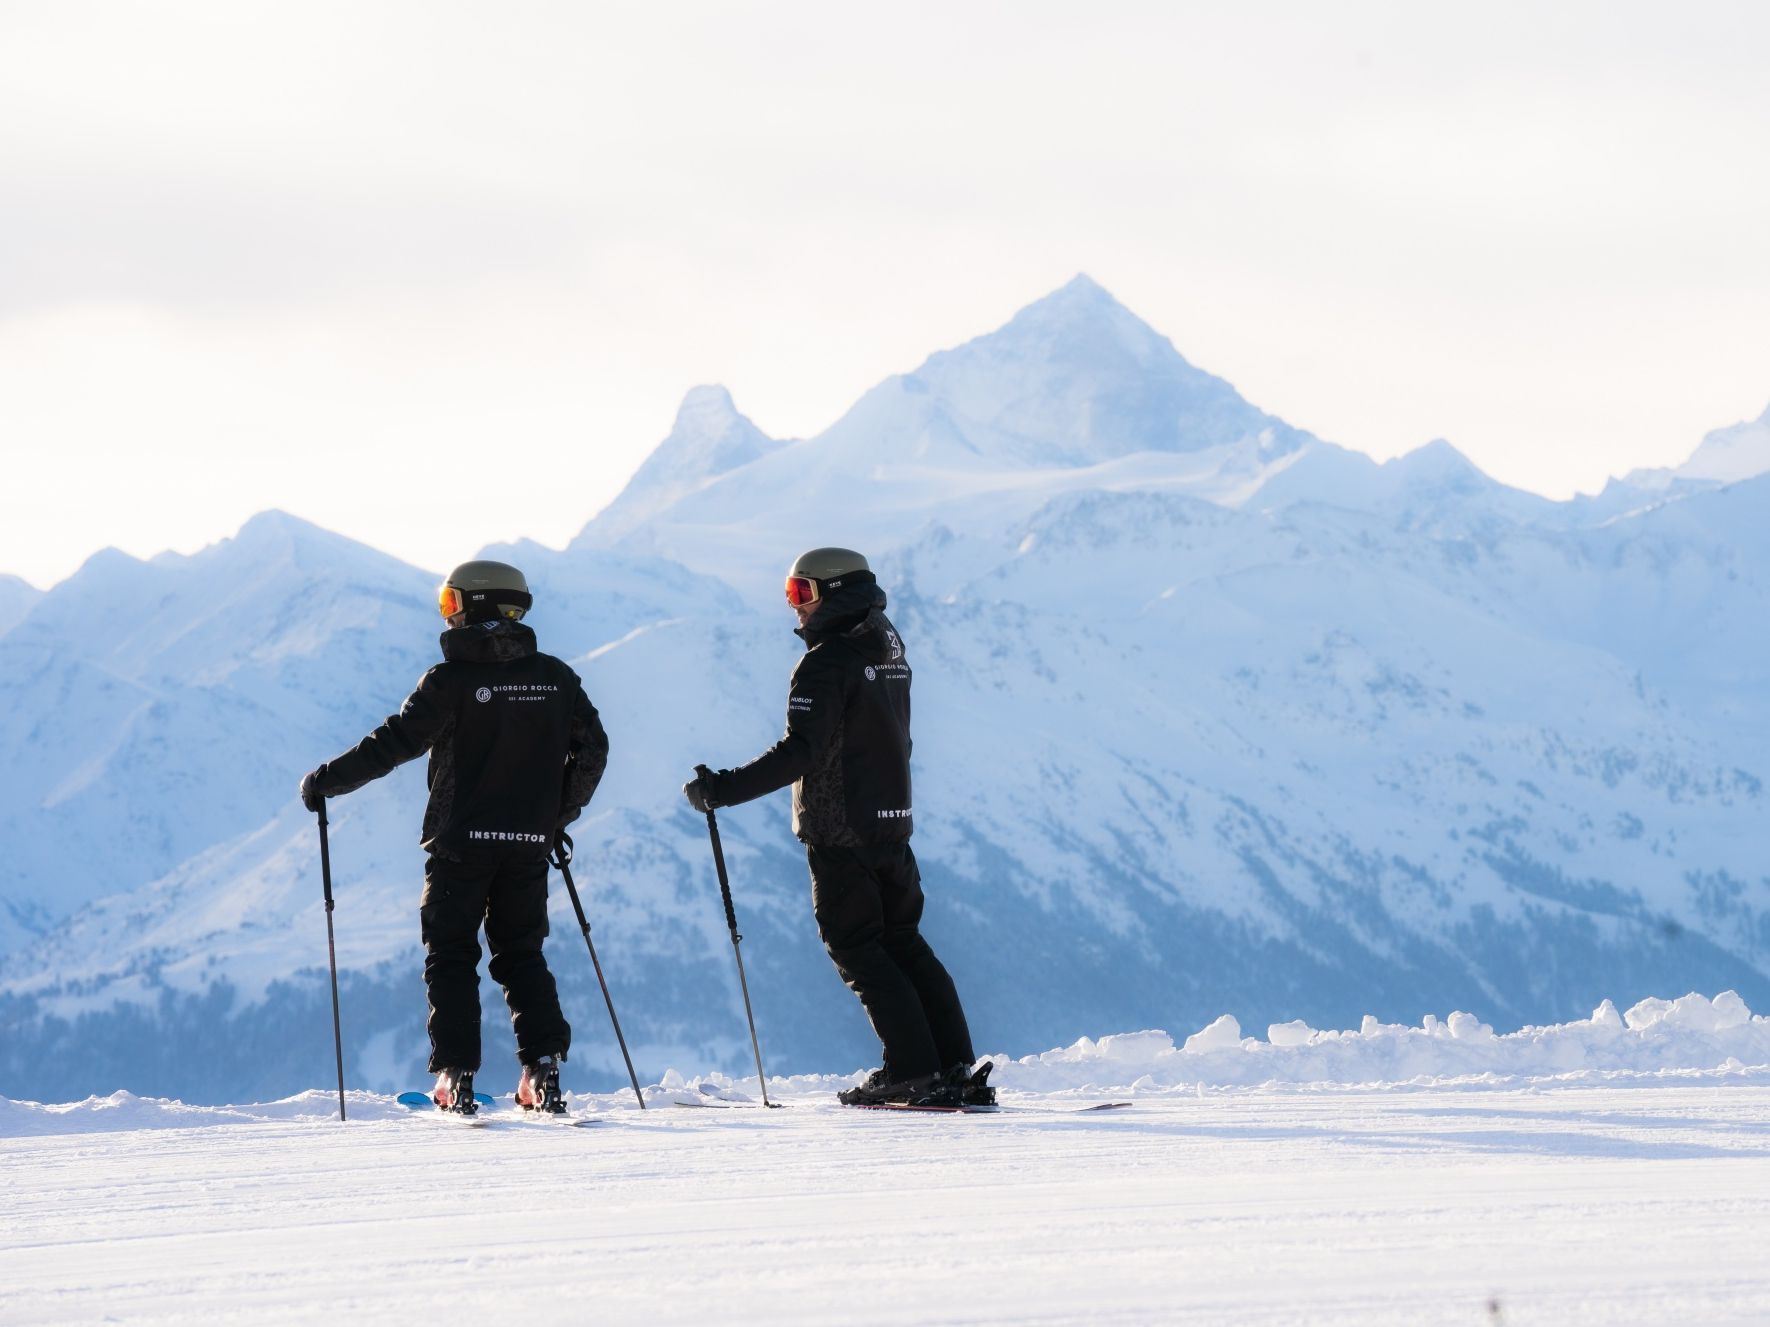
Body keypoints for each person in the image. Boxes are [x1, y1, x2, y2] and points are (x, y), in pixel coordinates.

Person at [682, 548, 992, 1108]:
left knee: (858, 947)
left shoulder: (826, 662)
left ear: (836, 592)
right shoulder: (887, 647)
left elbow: (801, 751)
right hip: (892, 822)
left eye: (802, 593)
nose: (795, 608)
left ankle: (912, 1071)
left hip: (842, 830)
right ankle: (954, 1066)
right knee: (904, 942)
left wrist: (720, 790)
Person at [300, 560, 607, 1116]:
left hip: (458, 844)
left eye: (452, 603)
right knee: (521, 953)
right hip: (527, 844)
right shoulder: (557, 679)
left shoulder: (449, 682)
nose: (448, 614)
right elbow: (594, 750)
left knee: (451, 953)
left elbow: (393, 744)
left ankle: (456, 1075)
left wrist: (327, 781)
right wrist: (556, 815)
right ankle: (542, 1072)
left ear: (479, 607)